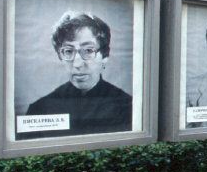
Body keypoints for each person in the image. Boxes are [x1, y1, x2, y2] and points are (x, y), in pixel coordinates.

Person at [21, 11, 131, 139]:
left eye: (89, 50)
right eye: (68, 51)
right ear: (60, 55)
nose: (77, 64)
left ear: (105, 55)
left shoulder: (126, 106)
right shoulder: (39, 109)